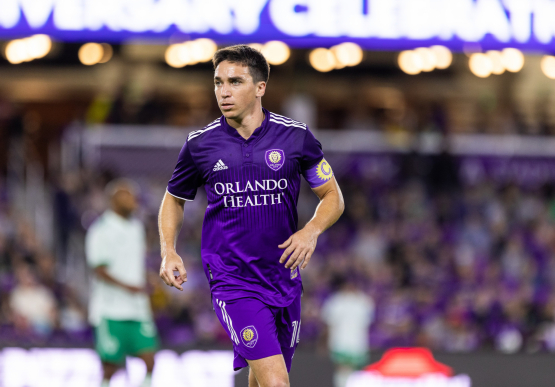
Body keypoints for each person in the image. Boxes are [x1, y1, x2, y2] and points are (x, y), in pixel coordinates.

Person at [158, 45, 345, 387]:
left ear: (260, 88)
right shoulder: (201, 144)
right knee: (276, 382)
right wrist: (169, 249)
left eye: (235, 82)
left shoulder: (296, 137)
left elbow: (332, 196)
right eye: (218, 82)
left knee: (261, 379)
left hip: (283, 279)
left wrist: (311, 230)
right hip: (233, 281)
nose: (223, 91)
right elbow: (173, 200)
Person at [86, 179, 158, 387]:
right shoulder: (101, 229)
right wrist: (130, 287)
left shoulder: (137, 227)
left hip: (137, 308)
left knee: (150, 360)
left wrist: (148, 278)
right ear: (114, 200)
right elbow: (98, 269)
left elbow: (134, 262)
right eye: (126, 195)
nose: (133, 199)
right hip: (110, 309)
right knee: (110, 367)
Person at [321, 276, 375, 387]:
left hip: (357, 344)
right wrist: (324, 343)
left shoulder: (364, 301)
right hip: (340, 343)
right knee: (343, 370)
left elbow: (368, 324)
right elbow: (328, 325)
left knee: (355, 372)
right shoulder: (335, 301)